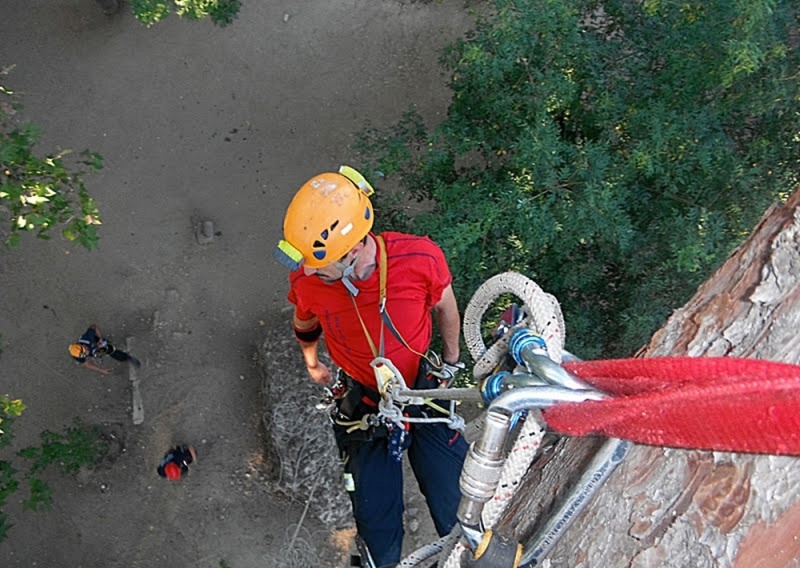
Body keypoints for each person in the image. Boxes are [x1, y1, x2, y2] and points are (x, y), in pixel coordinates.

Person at [274, 166, 468, 568]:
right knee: (377, 528)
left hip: (424, 390)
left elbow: (446, 305)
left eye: (316, 264)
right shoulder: (309, 281)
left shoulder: (417, 259)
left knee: (459, 509)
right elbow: (305, 323)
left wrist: (450, 363)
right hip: (363, 402)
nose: (306, 271)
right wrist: (312, 364)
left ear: (352, 252)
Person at [68, 324, 141, 375]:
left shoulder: (88, 338)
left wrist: (100, 339)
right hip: (95, 349)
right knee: (100, 352)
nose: (86, 354)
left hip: (96, 343)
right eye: (84, 355)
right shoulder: (77, 355)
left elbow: (94, 326)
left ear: (83, 345)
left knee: (110, 350)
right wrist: (101, 370)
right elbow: (87, 364)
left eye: (85, 352)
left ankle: (126, 358)